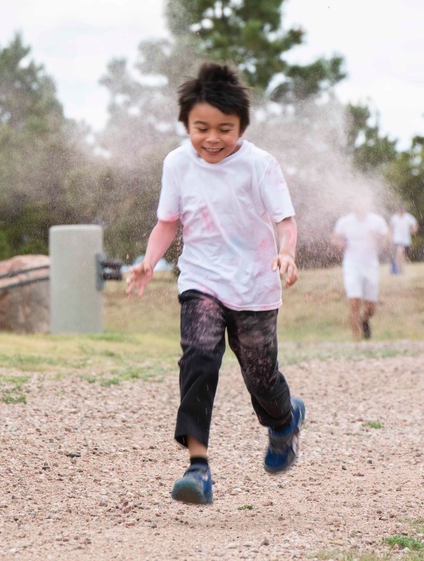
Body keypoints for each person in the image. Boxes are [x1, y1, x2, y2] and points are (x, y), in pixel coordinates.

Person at [125, 62, 304, 506]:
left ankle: (284, 421)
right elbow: (168, 222)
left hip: (255, 286)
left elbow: (285, 220)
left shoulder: (259, 164)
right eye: (200, 127)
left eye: (225, 128)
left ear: (241, 126)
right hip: (201, 278)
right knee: (200, 358)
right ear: (186, 123)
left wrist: (287, 253)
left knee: (260, 375)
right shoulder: (177, 163)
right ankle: (197, 467)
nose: (212, 138)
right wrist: (149, 261)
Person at [332, 201, 389, 341]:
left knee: (370, 307)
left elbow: (388, 240)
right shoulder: (344, 221)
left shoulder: (377, 221)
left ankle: (364, 320)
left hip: (371, 265)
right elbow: (335, 237)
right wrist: (340, 243)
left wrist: (378, 237)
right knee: (354, 302)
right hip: (351, 265)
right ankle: (357, 340)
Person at [388, 205, 418, 275]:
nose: (401, 212)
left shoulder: (409, 217)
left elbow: (414, 226)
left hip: (406, 240)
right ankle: (397, 269)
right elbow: (390, 228)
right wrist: (390, 237)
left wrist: (413, 230)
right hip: (397, 239)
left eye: (402, 210)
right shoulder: (394, 218)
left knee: (403, 256)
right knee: (399, 252)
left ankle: (400, 269)